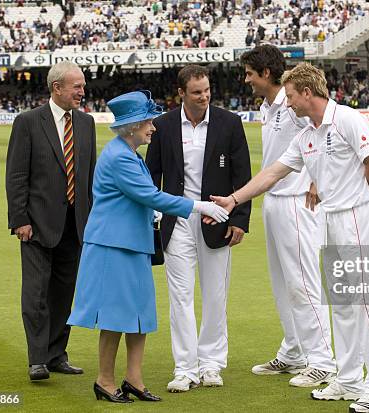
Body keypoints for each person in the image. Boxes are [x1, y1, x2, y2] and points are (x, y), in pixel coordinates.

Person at [211, 62, 369, 411]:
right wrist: (235, 199)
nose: (289, 102)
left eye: (292, 96)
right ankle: (350, 378)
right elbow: (273, 173)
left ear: (307, 93)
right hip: (329, 220)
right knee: (341, 305)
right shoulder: (306, 135)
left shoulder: (349, 120)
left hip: (358, 217)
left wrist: (368, 203)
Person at [67, 90, 229, 403]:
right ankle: (104, 380)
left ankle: (134, 379)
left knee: (140, 314)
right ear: (132, 126)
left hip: (132, 244)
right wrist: (199, 207)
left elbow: (143, 197)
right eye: (148, 122)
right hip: (113, 246)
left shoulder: (129, 154)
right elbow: (151, 196)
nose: (153, 128)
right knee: (116, 316)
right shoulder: (119, 157)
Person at [145, 65, 252, 392]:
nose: (204, 96)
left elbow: (242, 174)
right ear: (181, 94)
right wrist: (152, 216)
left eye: (206, 90)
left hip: (216, 220)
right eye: (196, 92)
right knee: (180, 297)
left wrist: (239, 219)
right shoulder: (162, 126)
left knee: (215, 296)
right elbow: (152, 175)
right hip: (176, 222)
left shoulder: (229, 123)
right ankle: (185, 368)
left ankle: (211, 363)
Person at [240, 45, 336, 387]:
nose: (247, 79)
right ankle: (295, 350)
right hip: (275, 199)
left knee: (303, 283)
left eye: (250, 73)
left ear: (265, 73)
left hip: (298, 202)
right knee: (282, 282)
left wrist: (316, 179)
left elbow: (326, 133)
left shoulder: (293, 103)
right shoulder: (270, 106)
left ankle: (323, 359)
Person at [6, 61, 95, 381]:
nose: (82, 91)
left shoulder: (86, 123)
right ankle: (37, 359)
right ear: (56, 87)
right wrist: (19, 219)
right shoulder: (28, 122)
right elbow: (16, 175)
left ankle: (57, 354)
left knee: (63, 294)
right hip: (37, 225)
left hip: (76, 225)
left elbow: (88, 179)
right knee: (35, 294)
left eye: (83, 85)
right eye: (77, 86)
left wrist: (93, 221)